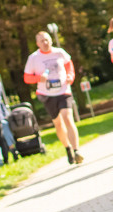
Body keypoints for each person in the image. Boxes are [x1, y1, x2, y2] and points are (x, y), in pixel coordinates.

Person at [23, 31, 84, 164]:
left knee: (67, 117)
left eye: (47, 39)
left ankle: (76, 150)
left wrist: (70, 76)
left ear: (51, 40)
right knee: (58, 123)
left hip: (63, 91)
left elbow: (69, 66)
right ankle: (67, 148)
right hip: (47, 94)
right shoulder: (33, 58)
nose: (45, 43)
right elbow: (27, 78)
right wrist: (39, 78)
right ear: (37, 43)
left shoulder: (60, 52)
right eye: (42, 41)